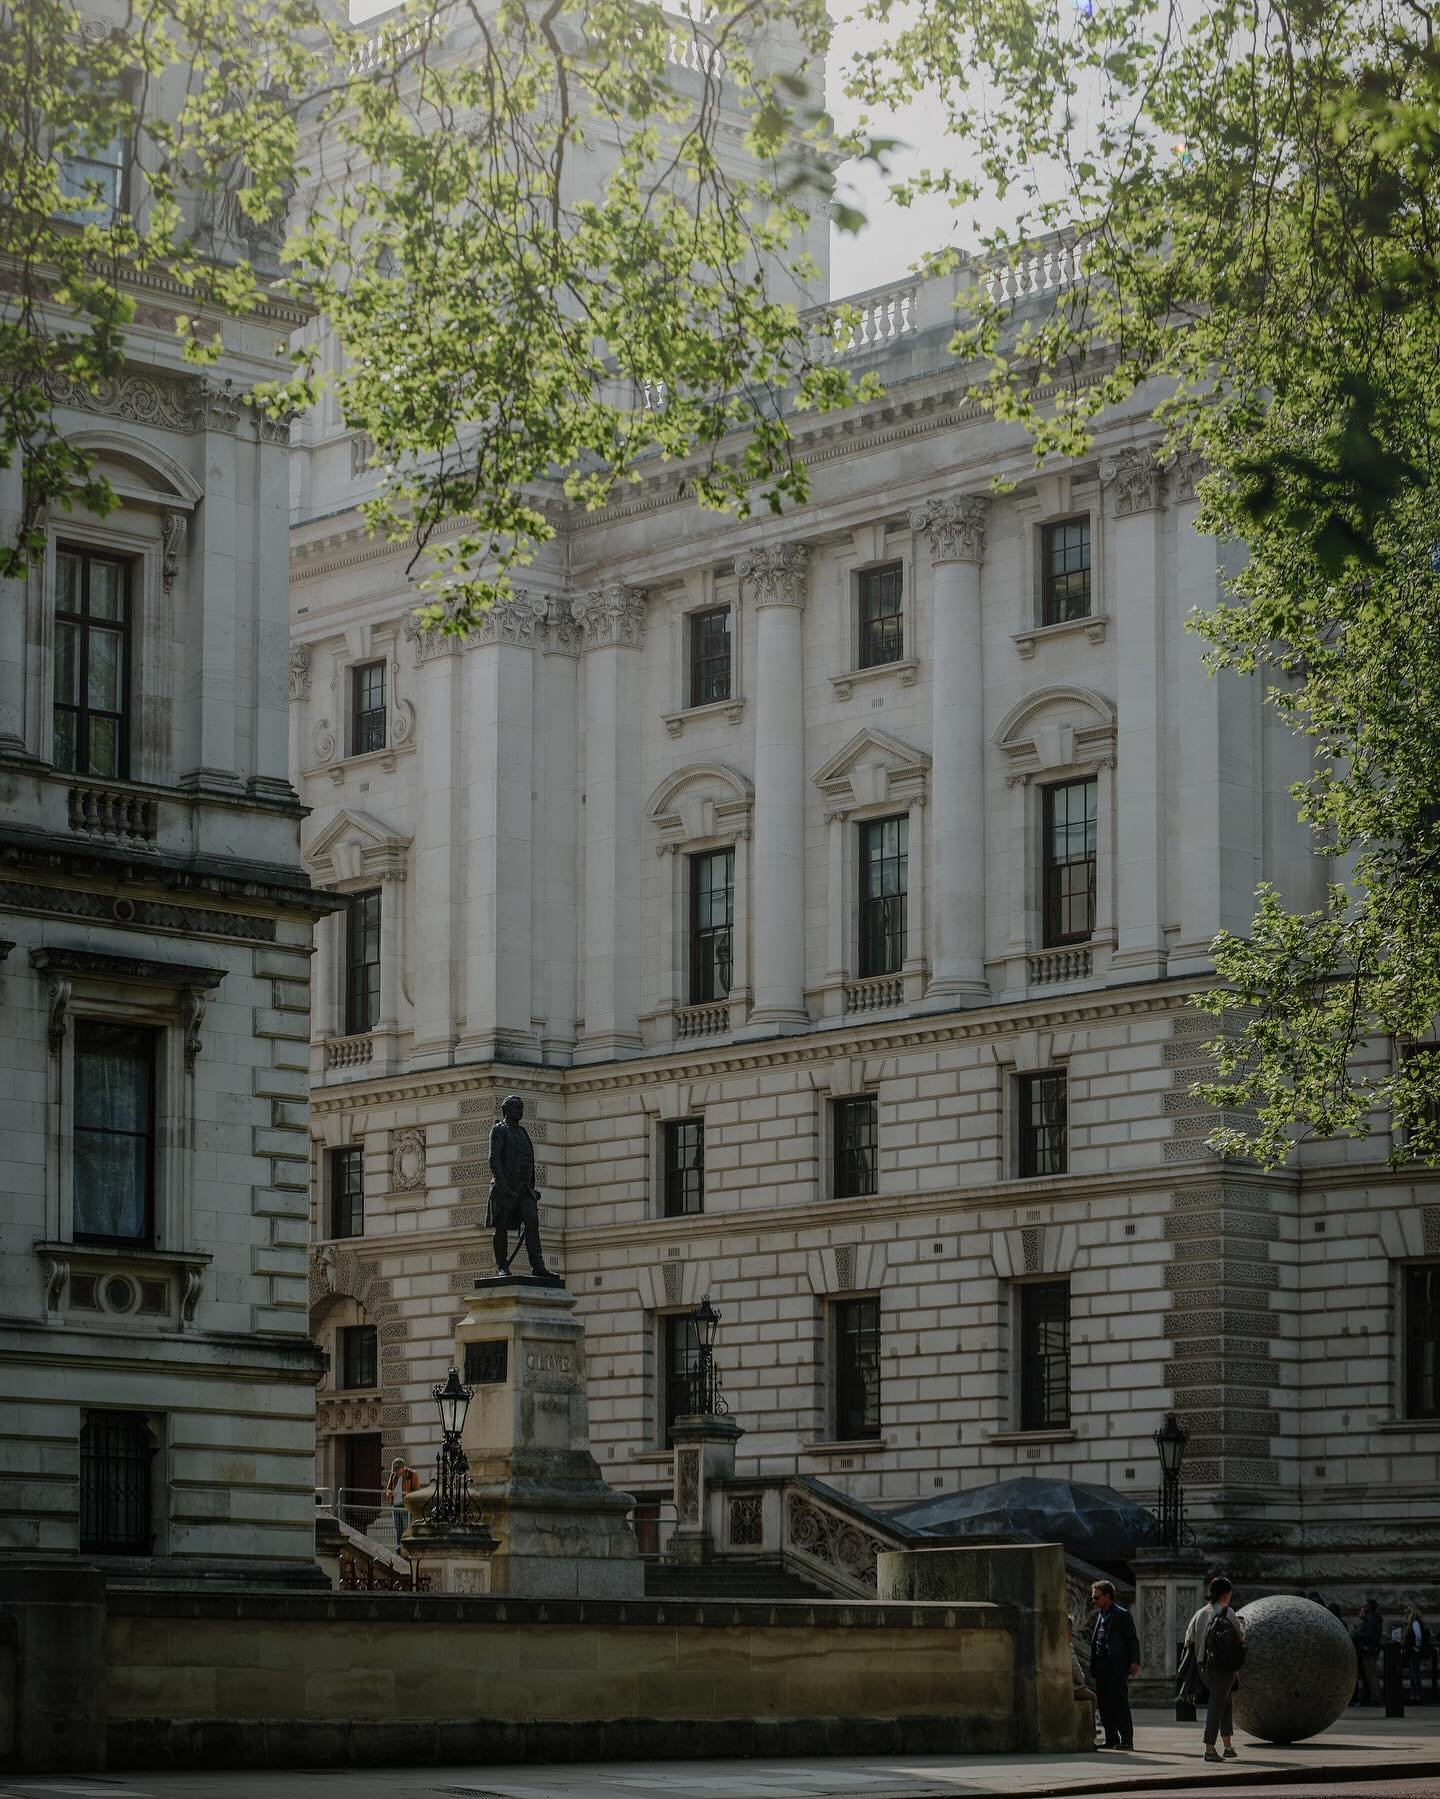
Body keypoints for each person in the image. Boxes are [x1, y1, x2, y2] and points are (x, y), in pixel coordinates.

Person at [487, 1094, 555, 1279]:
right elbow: (494, 1160)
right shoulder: (499, 1130)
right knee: (501, 1226)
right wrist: (503, 1186)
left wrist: (531, 1188)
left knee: (532, 1222)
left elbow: (528, 1161)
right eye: (518, 1108)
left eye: (522, 1108)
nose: (521, 1111)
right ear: (507, 1110)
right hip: (505, 1188)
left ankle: (538, 1265)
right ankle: (502, 1266)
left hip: (524, 1189)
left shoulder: (522, 1131)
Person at [1185, 1574, 1247, 1762]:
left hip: (1203, 1667)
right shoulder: (1227, 1612)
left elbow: (1189, 1640)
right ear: (1226, 1594)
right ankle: (1209, 1748)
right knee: (1216, 1706)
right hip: (1223, 1669)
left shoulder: (1200, 1613)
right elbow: (1240, 1636)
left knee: (1226, 1703)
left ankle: (1228, 1746)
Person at [1089, 1579, 1141, 1750]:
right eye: (1093, 1598)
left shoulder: (1122, 1614)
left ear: (1107, 1596)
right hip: (1102, 1666)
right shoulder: (1101, 1615)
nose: (1094, 1601)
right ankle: (1111, 1737)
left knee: (1119, 1703)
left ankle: (1127, 1739)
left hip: (1115, 1666)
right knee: (1104, 1704)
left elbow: (1132, 1640)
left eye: (1096, 1597)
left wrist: (1134, 1661)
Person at [1352, 1599, 1382, 1704]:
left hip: (1368, 1651)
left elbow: (1368, 1636)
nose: (1362, 1607)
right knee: (1370, 1674)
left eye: (1364, 1606)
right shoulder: (1372, 1620)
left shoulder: (1371, 1620)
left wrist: (1356, 1633)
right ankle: (1373, 1696)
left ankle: (1376, 1697)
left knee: (1371, 1675)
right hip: (1370, 1650)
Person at [384, 1456, 417, 1547]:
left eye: (397, 1470)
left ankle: (406, 1548)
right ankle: (398, 1548)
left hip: (405, 1505)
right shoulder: (393, 1476)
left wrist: (408, 1496)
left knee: (406, 1529)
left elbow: (416, 1490)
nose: (395, 1472)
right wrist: (389, 1493)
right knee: (398, 1529)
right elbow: (388, 1489)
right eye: (394, 1470)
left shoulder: (412, 1474)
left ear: (402, 1468)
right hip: (395, 1506)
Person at [1402, 1605, 1430, 1704]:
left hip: (1413, 1653)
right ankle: (1414, 1696)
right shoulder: (1415, 1623)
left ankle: (1419, 1695)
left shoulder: (1415, 1623)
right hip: (1413, 1652)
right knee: (1413, 1674)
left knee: (1415, 1675)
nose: (1405, 1615)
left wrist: (1416, 1647)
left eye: (1406, 1613)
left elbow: (1418, 1637)